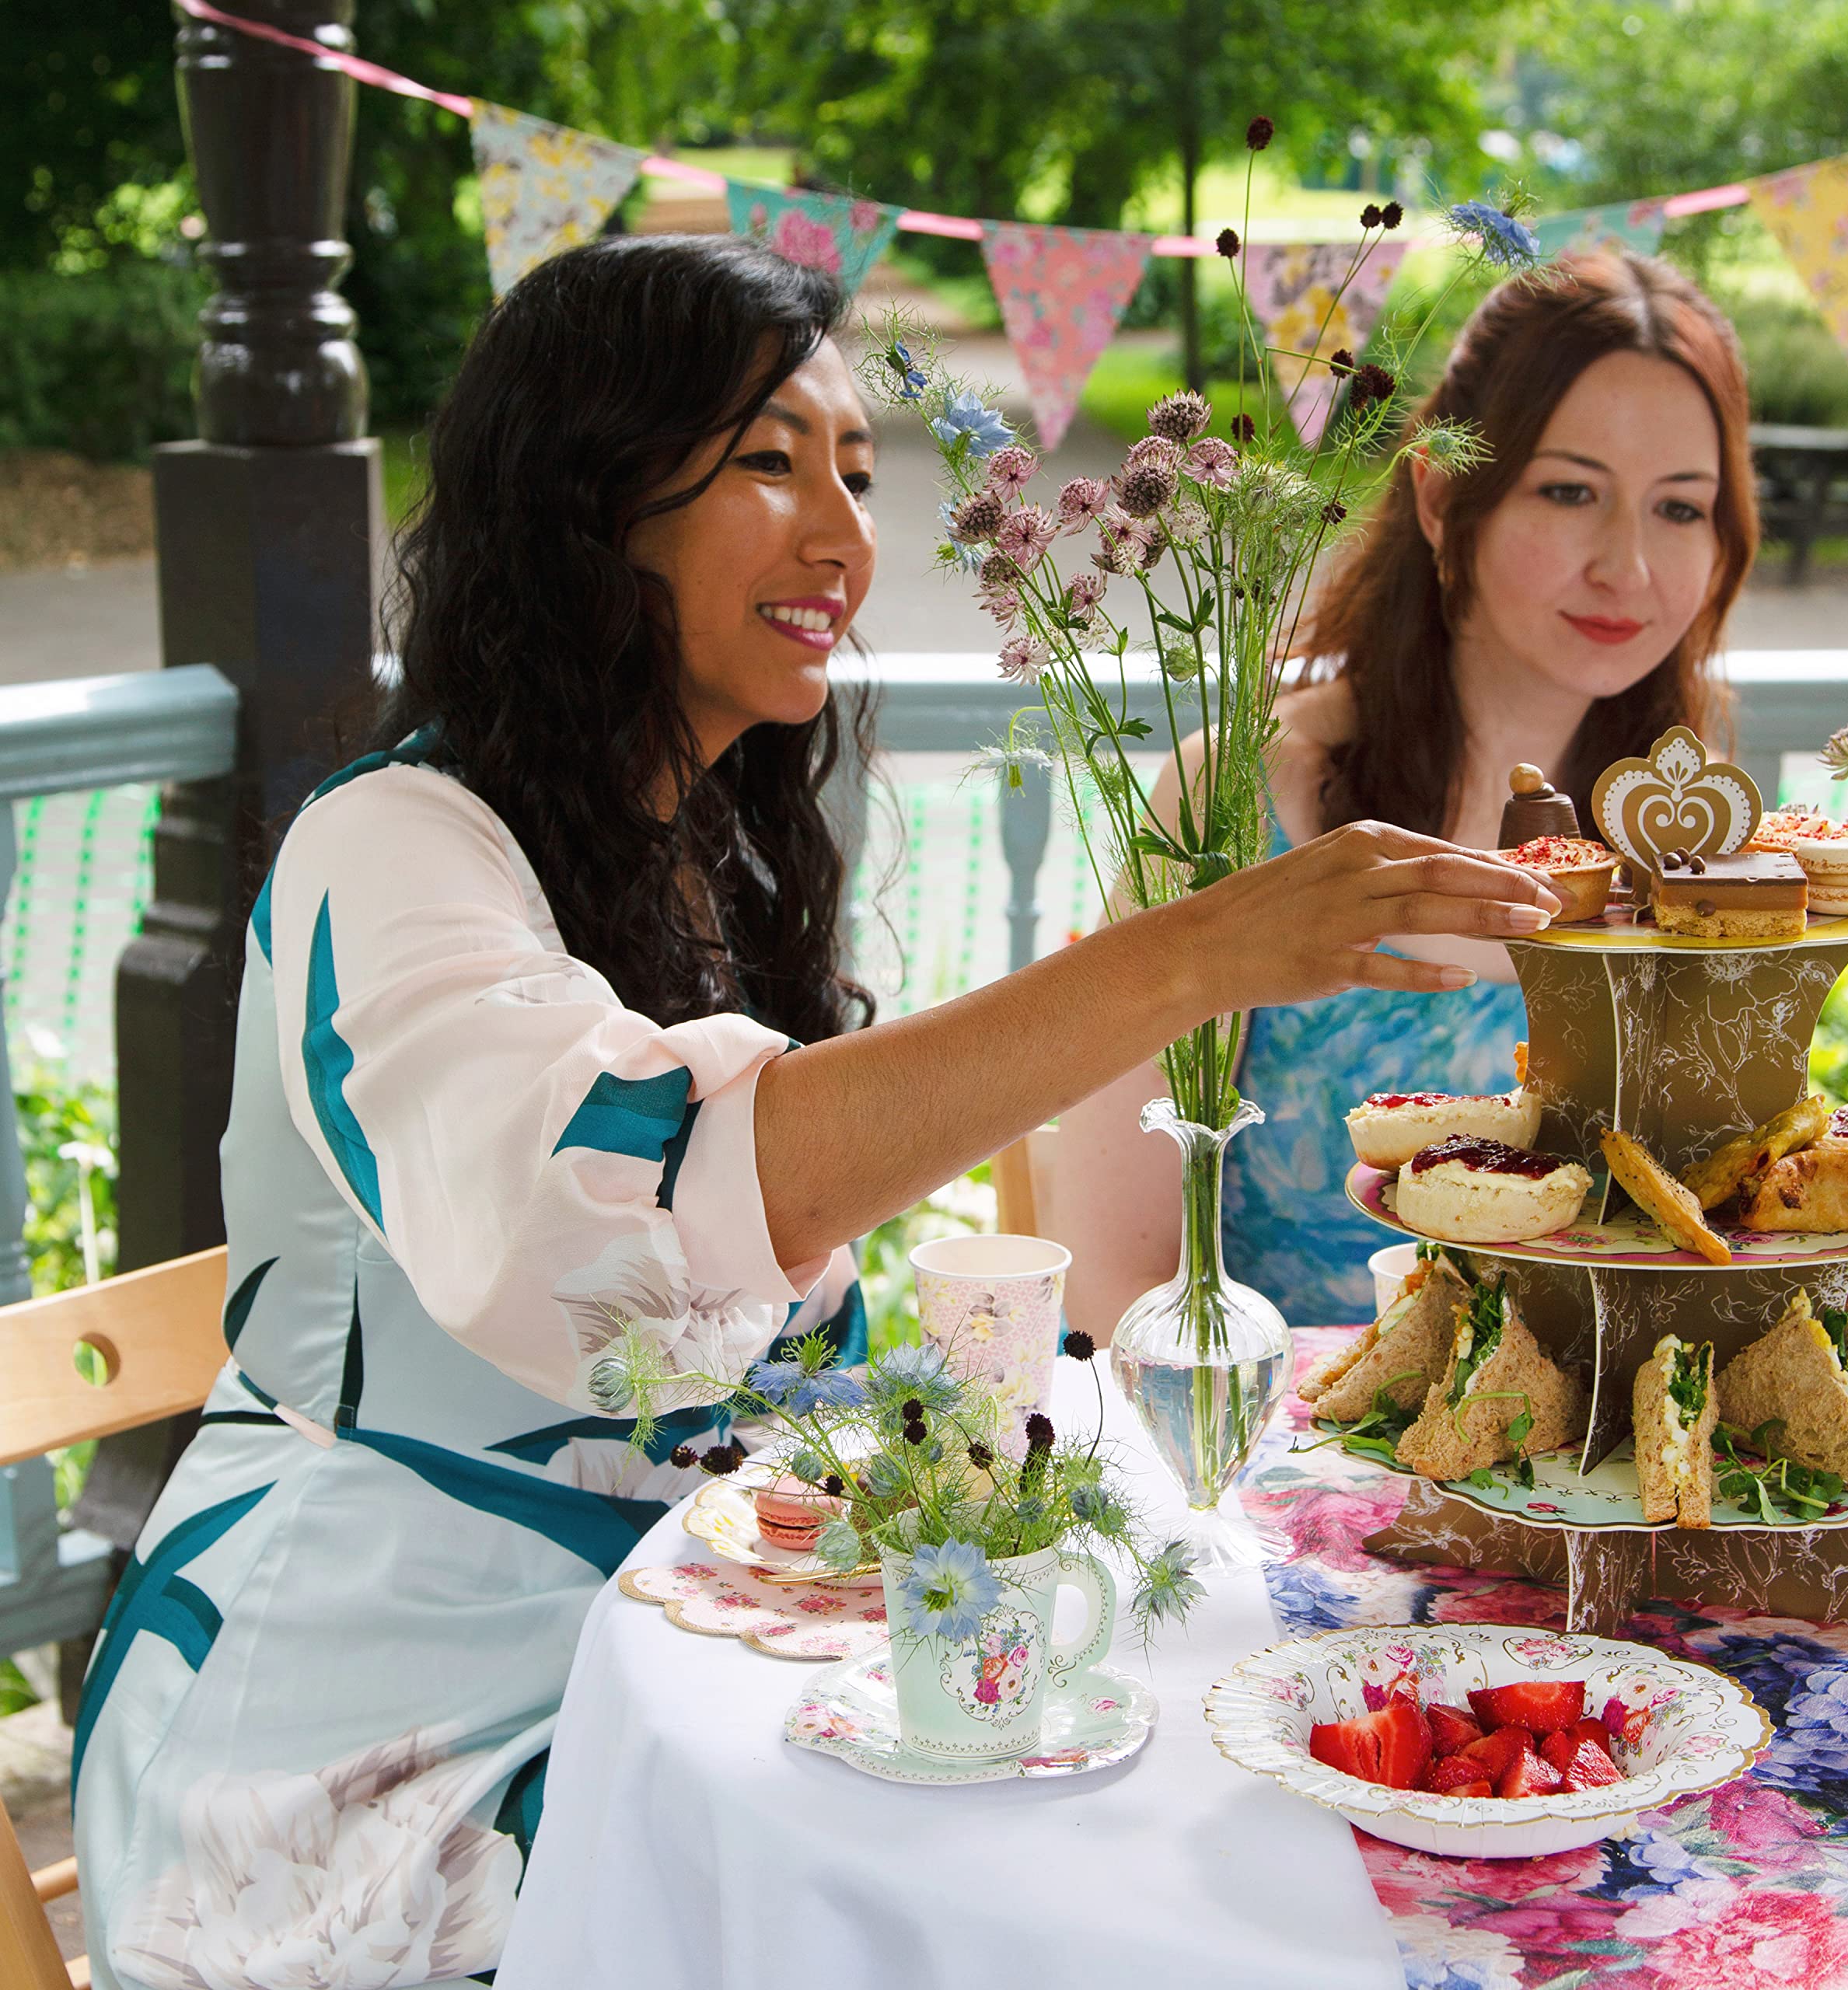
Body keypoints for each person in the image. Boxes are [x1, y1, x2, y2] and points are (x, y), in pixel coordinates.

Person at [72, 233, 1556, 1988]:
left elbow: (772, 1319)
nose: (849, 535)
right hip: (375, 1733)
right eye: (769, 461)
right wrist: (1182, 960)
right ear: (585, 496)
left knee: (1141, 1793)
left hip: (682, 1652)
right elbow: (611, 1229)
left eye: (857, 469)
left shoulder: (698, 862)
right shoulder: (390, 846)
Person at [1060, 252, 1758, 1336]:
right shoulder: (1242, 793)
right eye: (1569, 491)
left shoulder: (1686, 802)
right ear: (1440, 497)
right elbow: (1114, 1282)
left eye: (1681, 508)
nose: (1630, 566)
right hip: (1279, 1462)